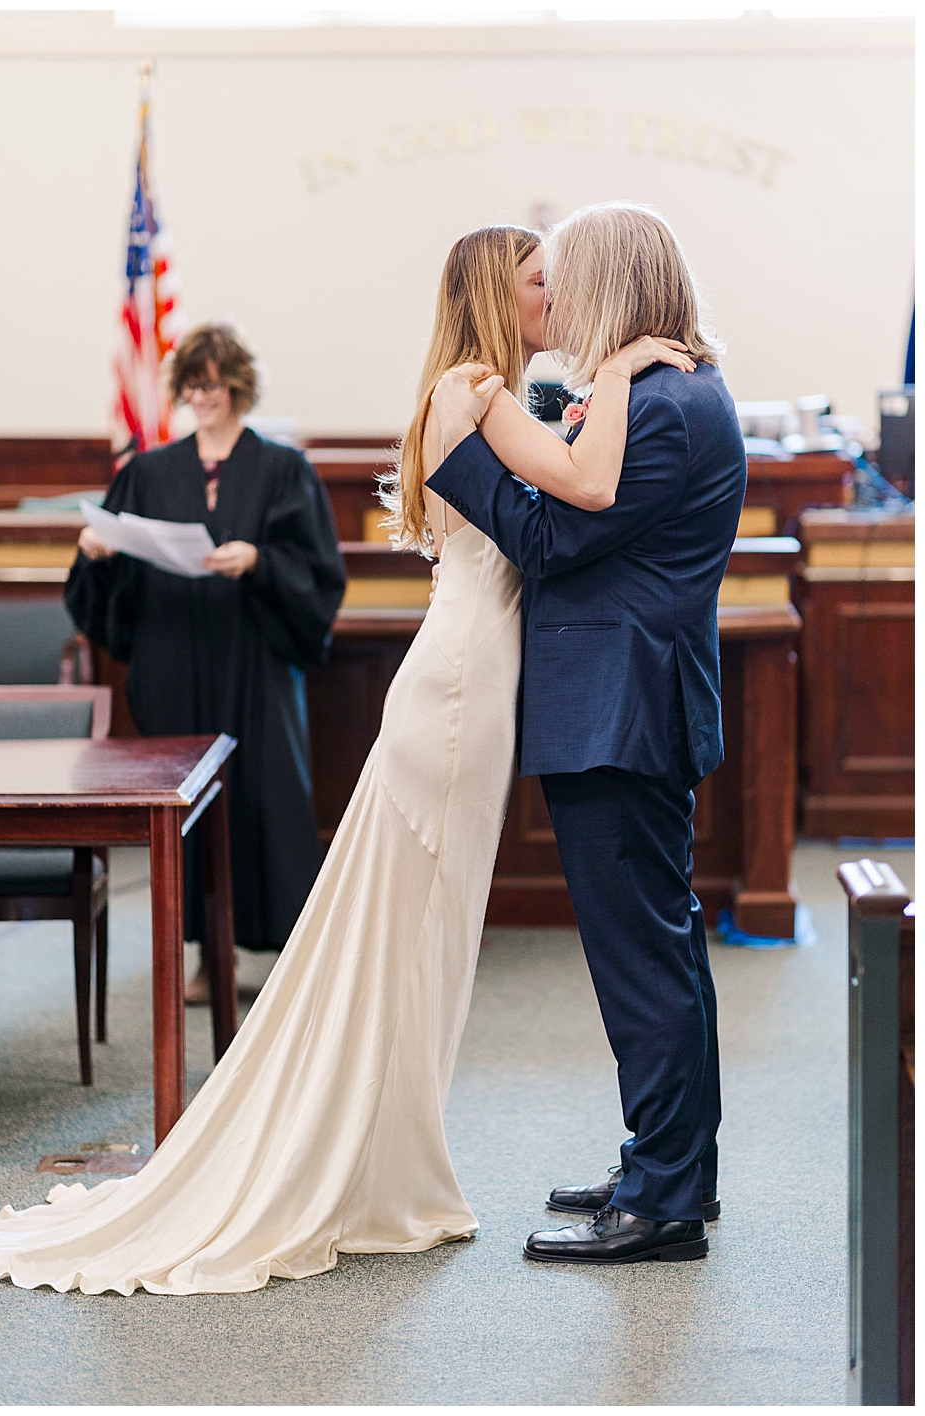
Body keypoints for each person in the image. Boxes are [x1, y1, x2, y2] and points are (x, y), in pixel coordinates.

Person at [0, 222, 696, 1295]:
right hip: (454, 701)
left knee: (422, 944)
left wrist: (604, 375)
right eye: (538, 281)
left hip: (473, 694)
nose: (557, 293)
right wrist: (621, 365)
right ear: (492, 296)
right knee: (402, 940)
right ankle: (362, 1170)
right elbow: (577, 499)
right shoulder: (469, 392)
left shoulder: (503, 390)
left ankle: (390, 1158)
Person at [427, 201, 738, 1266]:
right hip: (623, 702)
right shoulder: (656, 390)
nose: (545, 298)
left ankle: (661, 1198)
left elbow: (554, 540)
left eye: (559, 279)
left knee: (640, 961)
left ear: (610, 280)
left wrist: (458, 456)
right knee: (657, 950)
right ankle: (666, 1167)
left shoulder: (659, 403)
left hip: (620, 708)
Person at [67, 322, 347, 989]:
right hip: (172, 653)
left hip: (256, 655)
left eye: (216, 381)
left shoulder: (284, 468)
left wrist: (260, 559)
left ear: (239, 385)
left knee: (268, 796)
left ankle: (287, 958)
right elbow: (110, 579)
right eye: (194, 381)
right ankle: (203, 954)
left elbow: (318, 568)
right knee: (185, 811)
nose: (204, 393)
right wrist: (96, 554)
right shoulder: (148, 471)